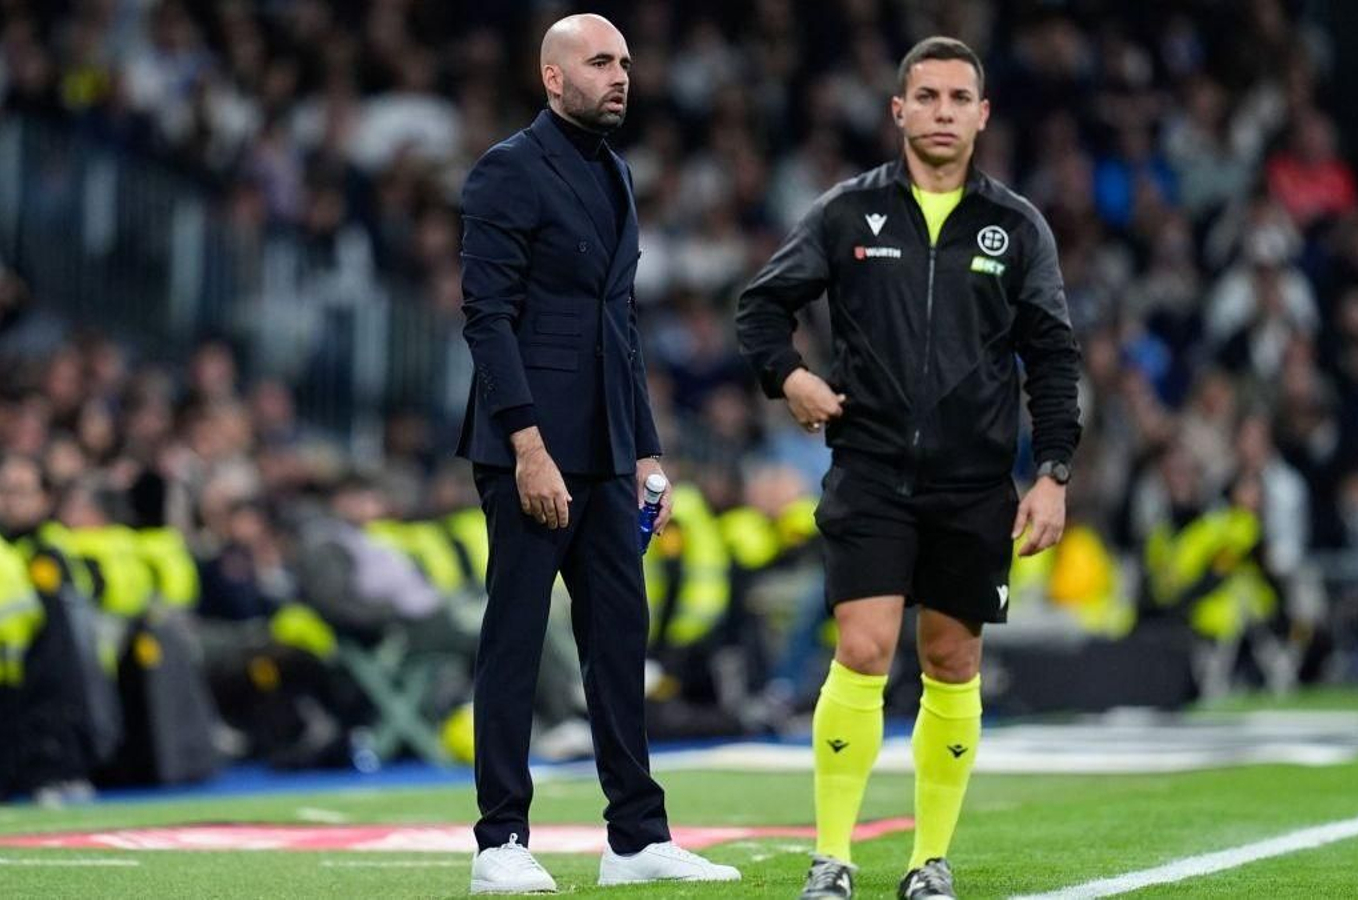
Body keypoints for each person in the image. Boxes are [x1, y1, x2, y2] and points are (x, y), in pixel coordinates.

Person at [737, 36, 1082, 900]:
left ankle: (930, 860)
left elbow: (1052, 354)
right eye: (924, 97)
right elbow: (760, 309)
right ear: (898, 111)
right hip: (871, 470)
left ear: (982, 114)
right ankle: (832, 858)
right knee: (860, 648)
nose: (940, 113)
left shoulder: (1018, 226)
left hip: (972, 485)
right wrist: (793, 378)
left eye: (957, 99)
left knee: (952, 662)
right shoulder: (847, 215)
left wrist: (1054, 472)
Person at [455, 13, 738, 894]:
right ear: (552, 77)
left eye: (626, 60)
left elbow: (619, 324)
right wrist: (528, 447)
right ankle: (498, 840)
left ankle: (634, 838)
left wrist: (649, 449)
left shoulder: (613, 171)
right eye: (601, 61)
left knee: (619, 637)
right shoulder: (507, 169)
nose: (622, 74)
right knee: (516, 634)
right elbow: (486, 318)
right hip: (533, 447)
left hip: (610, 449)